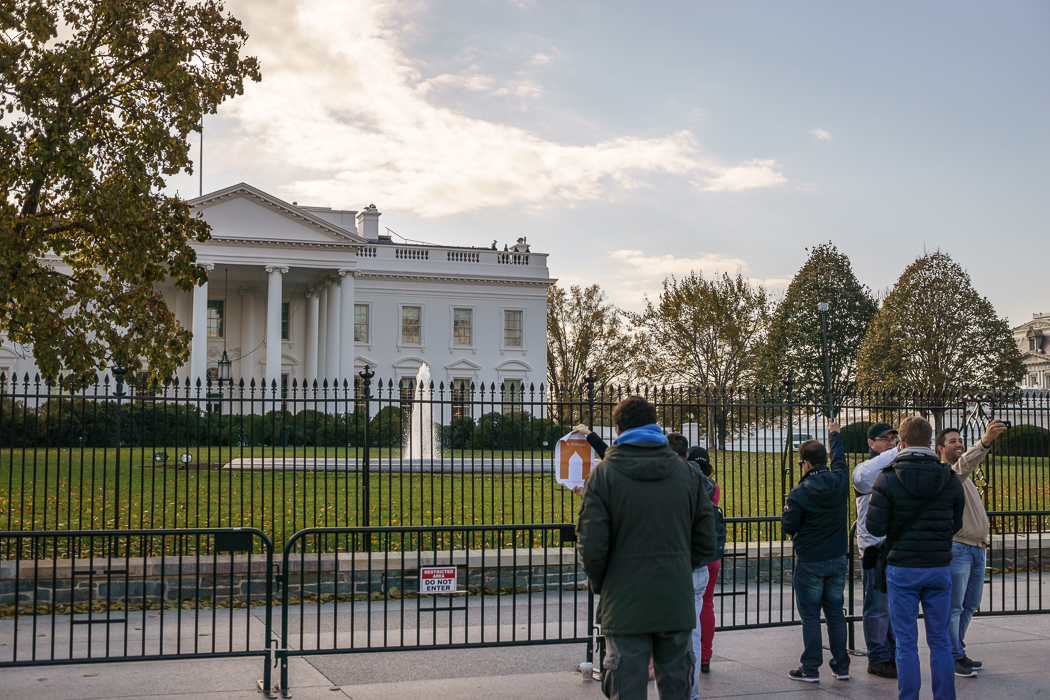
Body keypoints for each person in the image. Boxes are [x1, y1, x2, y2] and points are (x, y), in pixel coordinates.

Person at [576, 397, 717, 700]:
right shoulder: (689, 475)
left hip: (624, 600)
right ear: (655, 425)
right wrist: (677, 567)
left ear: (617, 429)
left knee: (625, 687)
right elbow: (707, 540)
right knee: (677, 687)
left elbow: (591, 547)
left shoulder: (602, 476)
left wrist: (606, 584)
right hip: (675, 599)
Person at [867, 415, 965, 700]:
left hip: (902, 566)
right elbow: (955, 523)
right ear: (930, 441)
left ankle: (908, 696)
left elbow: (874, 527)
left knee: (906, 642)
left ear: (903, 443)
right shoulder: (949, 477)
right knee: (940, 641)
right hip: (937, 564)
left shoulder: (887, 476)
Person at [935, 419, 1008, 678]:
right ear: (940, 449)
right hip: (959, 549)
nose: (958, 444)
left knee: (969, 605)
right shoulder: (947, 474)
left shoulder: (962, 477)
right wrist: (985, 441)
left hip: (977, 549)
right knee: (954, 607)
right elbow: (966, 465)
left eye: (959, 440)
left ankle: (957, 651)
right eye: (952, 441)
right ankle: (953, 656)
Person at [781, 420, 851, 683]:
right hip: (836, 558)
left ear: (806, 464)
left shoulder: (799, 492)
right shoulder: (840, 480)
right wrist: (835, 434)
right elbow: (841, 459)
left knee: (810, 616)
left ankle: (811, 668)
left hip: (810, 560)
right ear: (825, 461)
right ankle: (841, 665)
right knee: (835, 612)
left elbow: (790, 526)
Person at [852, 422, 900, 678]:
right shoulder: (865, 470)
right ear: (871, 443)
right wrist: (907, 445)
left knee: (893, 606)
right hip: (874, 548)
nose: (891, 442)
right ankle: (878, 657)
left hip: (895, 547)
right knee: (878, 606)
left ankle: (891, 653)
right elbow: (863, 476)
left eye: (894, 438)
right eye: (885, 438)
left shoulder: (896, 468)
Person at [687, 446, 720, 676]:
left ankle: (688, 655)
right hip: (711, 553)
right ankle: (705, 656)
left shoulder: (689, 483)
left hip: (692, 553)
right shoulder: (713, 486)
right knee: (706, 604)